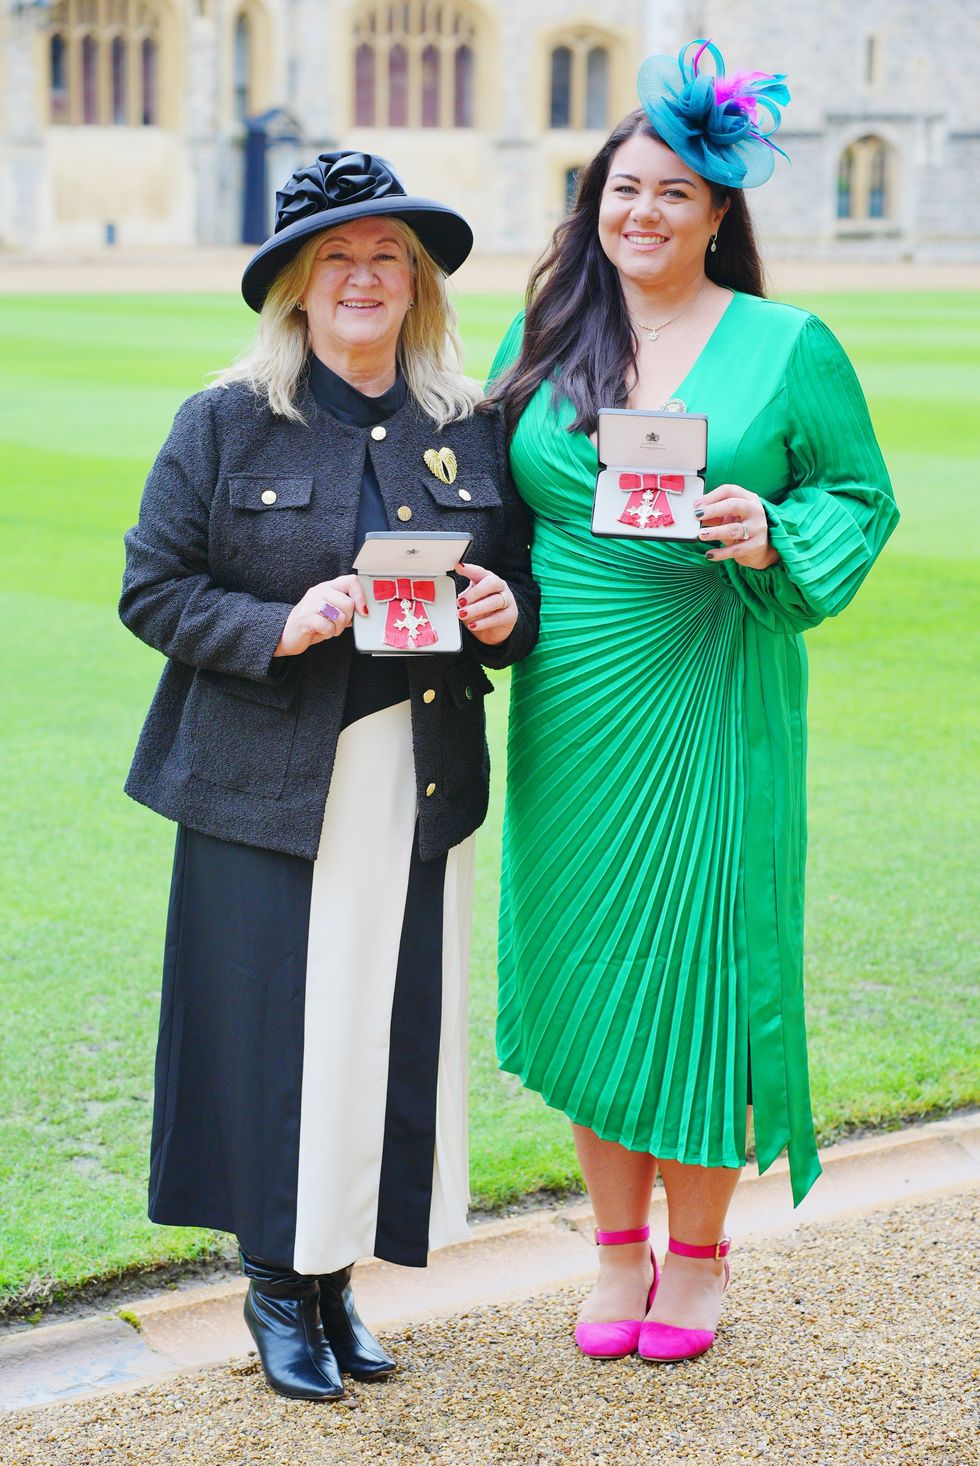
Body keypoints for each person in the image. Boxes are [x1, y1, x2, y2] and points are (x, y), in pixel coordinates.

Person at [489, 40, 898, 1364]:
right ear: (592, 203)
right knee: (591, 965)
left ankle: (702, 1256)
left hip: (713, 680)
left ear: (719, 211)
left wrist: (772, 528)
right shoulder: (548, 331)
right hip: (574, 702)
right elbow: (483, 501)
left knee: (700, 964)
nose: (642, 214)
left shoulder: (787, 344)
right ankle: (615, 1253)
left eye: (671, 193)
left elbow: (856, 496)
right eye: (622, 190)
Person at [119, 150, 539, 1402]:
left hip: (416, 777)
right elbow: (152, 589)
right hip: (264, 782)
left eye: (388, 258)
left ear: (417, 285)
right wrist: (279, 624)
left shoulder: (469, 423)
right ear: (296, 287)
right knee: (271, 1037)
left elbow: (518, 597)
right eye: (337, 259)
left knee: (382, 1030)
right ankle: (273, 1281)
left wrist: (496, 605)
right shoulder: (223, 418)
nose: (364, 277)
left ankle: (334, 1272)